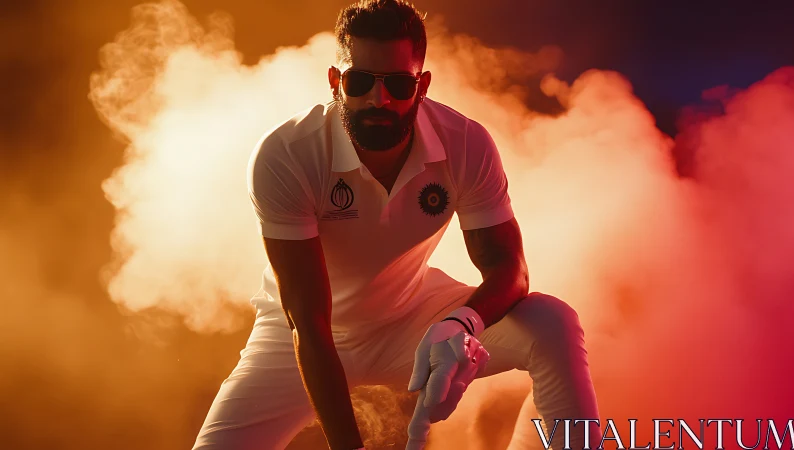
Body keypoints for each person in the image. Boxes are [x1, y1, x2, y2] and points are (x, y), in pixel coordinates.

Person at [192, 0, 601, 449]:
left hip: (412, 319)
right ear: (335, 81)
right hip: (302, 337)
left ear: (422, 85)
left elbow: (511, 270)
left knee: (553, 324)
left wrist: (461, 324)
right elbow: (308, 322)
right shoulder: (287, 153)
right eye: (360, 81)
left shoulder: (465, 142)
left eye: (399, 84)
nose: (378, 100)